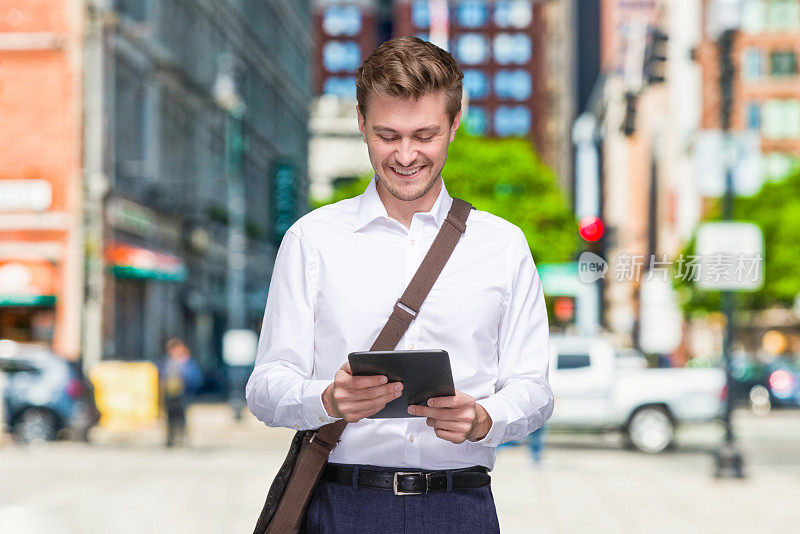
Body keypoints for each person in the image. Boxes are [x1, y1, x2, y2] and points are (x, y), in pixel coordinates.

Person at [246, 36, 554, 532]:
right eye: (387, 135)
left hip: (460, 509)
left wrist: (485, 418)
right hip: (341, 506)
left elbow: (534, 389)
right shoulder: (312, 239)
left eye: (425, 135)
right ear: (362, 125)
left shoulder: (503, 245)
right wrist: (326, 400)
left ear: (454, 126)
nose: (406, 155)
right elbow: (265, 387)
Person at [158, 338, 202, 448]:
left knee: (182, 418)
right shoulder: (166, 362)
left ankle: (182, 438)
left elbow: (195, 378)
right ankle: (170, 439)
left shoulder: (187, 363)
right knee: (169, 418)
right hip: (169, 394)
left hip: (183, 394)